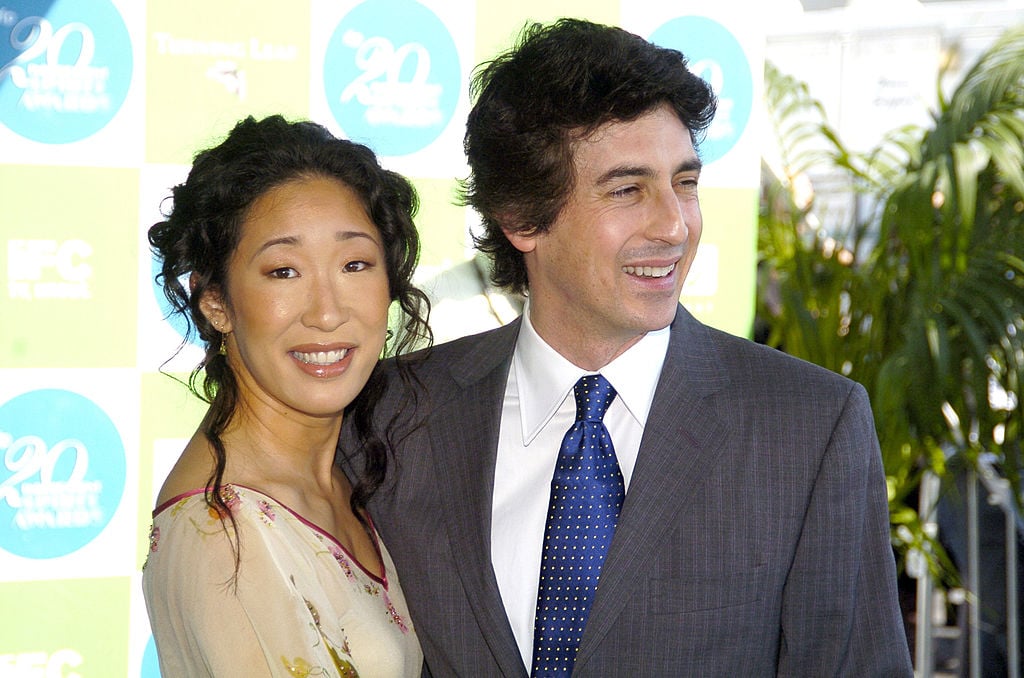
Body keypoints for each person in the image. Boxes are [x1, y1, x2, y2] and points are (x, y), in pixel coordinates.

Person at [338, 18, 913, 677]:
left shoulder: (809, 426)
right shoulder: (392, 412)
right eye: (628, 189)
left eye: (686, 182)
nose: (674, 223)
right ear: (522, 217)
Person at [143, 115, 429, 677]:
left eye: (355, 265)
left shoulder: (338, 472)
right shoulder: (229, 535)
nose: (327, 312)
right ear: (215, 302)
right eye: (283, 271)